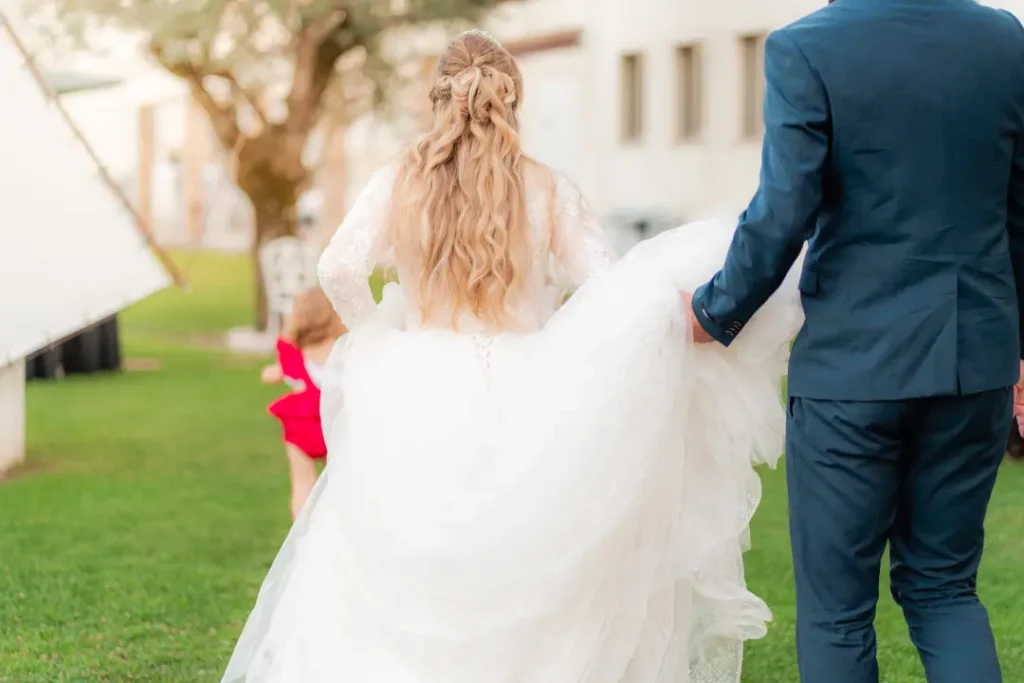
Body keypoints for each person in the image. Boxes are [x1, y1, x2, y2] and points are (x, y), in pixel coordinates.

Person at [221, 30, 804, 683]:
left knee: (407, 560)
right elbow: (611, 290)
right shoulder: (549, 190)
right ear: (513, 100)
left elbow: (337, 269)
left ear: (437, 98)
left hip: (415, 390)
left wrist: (377, 338)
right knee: (520, 557)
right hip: (531, 387)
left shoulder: (398, 184)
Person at [685, 2, 1024, 682]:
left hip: (852, 369)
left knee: (838, 613)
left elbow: (783, 210)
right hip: (975, 361)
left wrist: (714, 310)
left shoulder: (805, 48)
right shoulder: (1004, 39)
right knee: (945, 590)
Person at [261, 288, 346, 519]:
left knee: (302, 483)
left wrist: (272, 372)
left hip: (300, 426)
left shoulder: (291, 350)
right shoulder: (343, 347)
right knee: (340, 482)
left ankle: (302, 534)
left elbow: (278, 374)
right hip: (334, 424)